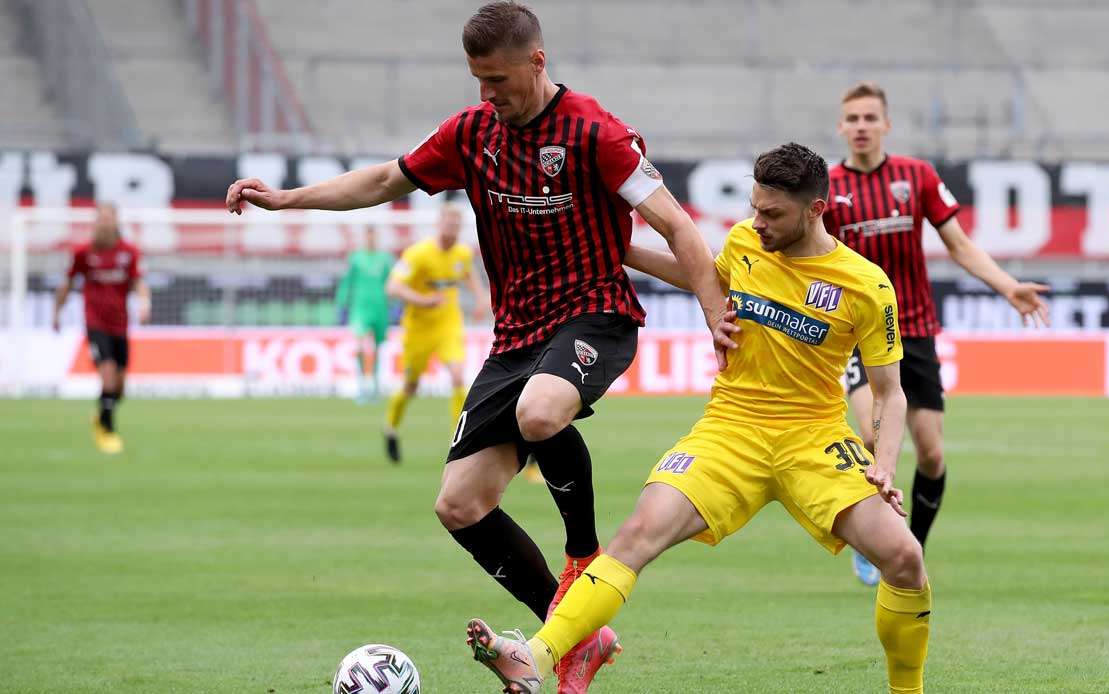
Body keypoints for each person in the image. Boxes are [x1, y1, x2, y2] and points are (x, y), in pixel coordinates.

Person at [224, 3, 735, 691]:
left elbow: (676, 226)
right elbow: (381, 181)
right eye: (476, 80)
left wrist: (713, 312)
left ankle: (583, 556)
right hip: (516, 336)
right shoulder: (471, 135)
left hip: (594, 316)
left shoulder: (597, 133)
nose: (486, 94)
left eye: (497, 79)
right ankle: (573, 633)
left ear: (537, 61)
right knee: (459, 504)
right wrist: (287, 200)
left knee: (540, 413)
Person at [465, 143, 932, 694]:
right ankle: (535, 657)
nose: (757, 222)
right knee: (637, 533)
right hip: (730, 431)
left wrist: (885, 464)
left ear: (816, 210)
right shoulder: (744, 242)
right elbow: (701, 275)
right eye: (755, 207)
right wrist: (618, 250)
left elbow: (889, 394)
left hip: (815, 438)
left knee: (904, 556)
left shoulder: (867, 285)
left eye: (772, 214)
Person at [826, 82, 1050, 586]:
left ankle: (913, 547)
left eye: (869, 118)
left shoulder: (917, 176)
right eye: (852, 119)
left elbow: (961, 246)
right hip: (857, 331)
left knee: (930, 453)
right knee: (870, 433)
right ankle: (873, 543)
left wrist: (1009, 286)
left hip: (915, 331)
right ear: (841, 127)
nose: (861, 126)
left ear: (886, 124)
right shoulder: (827, 186)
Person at [382, 202, 489, 463]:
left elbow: (470, 275)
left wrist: (481, 299)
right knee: (411, 385)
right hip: (418, 329)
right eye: (448, 223)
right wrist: (422, 300)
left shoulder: (462, 253)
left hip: (448, 325)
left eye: (456, 225)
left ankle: (460, 440)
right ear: (439, 223)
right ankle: (390, 428)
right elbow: (392, 287)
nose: (452, 229)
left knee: (456, 375)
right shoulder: (418, 254)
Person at [52, 203, 150, 454]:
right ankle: (107, 431)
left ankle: (102, 414)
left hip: (120, 324)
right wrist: (56, 312)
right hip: (95, 323)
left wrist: (143, 302)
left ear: (116, 222)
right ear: (95, 223)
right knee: (106, 373)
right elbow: (67, 283)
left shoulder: (129, 252)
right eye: (101, 219)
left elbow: (139, 281)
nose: (105, 223)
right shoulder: (84, 252)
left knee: (119, 386)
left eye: (109, 218)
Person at [335, 226, 395, 403]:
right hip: (360, 307)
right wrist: (341, 304)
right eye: (368, 236)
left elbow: (392, 282)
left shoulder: (385, 259)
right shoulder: (356, 258)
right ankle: (362, 385)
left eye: (373, 236)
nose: (371, 239)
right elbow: (347, 282)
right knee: (361, 344)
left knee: (377, 348)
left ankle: (375, 387)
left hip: (380, 307)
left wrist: (395, 305)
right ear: (364, 237)